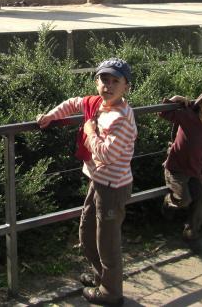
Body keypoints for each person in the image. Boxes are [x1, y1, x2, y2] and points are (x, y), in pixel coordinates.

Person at [37, 58, 137, 306]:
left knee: (107, 242)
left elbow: (106, 154)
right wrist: (50, 116)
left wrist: (90, 132)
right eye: (104, 79)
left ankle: (111, 292)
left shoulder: (121, 117)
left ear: (127, 87)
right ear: (96, 81)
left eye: (116, 81)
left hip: (113, 187)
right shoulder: (97, 105)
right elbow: (73, 103)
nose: (108, 86)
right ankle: (101, 277)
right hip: (99, 181)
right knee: (87, 231)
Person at [159, 86, 202, 252]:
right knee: (184, 200)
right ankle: (168, 204)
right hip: (176, 169)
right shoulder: (188, 116)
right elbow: (163, 113)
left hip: (196, 172)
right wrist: (174, 99)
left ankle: (191, 233)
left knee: (201, 200)